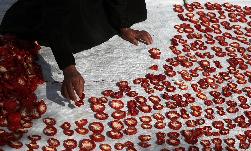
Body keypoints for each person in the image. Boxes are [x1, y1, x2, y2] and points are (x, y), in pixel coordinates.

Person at [0, 0, 153, 102]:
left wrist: (123, 26)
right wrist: (68, 67)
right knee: (83, 32)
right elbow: (54, 18)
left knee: (132, 7)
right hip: (54, 7)